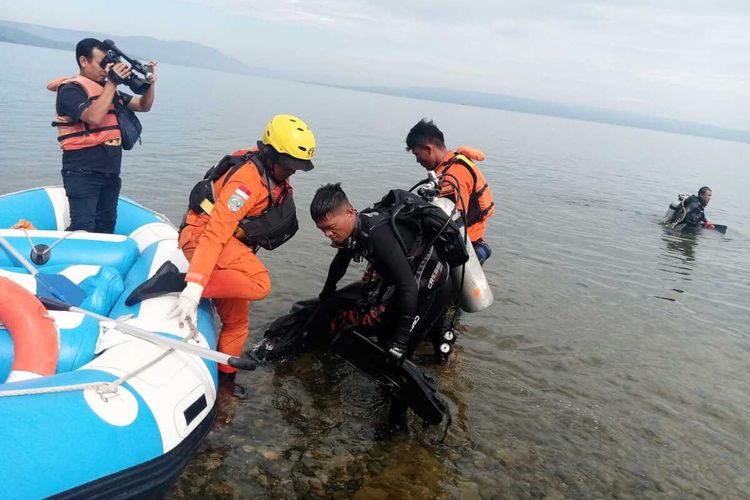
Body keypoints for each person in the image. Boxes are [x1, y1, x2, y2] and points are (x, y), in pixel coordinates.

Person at [128, 115, 316, 386]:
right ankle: (176, 280)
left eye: (297, 167)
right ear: (271, 154)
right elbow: (215, 233)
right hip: (202, 236)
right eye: (289, 166)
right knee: (259, 282)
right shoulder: (247, 182)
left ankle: (226, 384)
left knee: (238, 323)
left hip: (231, 246)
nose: (293, 172)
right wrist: (193, 288)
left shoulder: (271, 176)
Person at [311, 183, 451, 429]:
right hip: (407, 282)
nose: (328, 235)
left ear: (350, 212)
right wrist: (327, 293)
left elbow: (408, 286)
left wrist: (401, 340)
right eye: (322, 230)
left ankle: (397, 424)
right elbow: (340, 263)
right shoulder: (354, 233)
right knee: (386, 342)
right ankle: (389, 397)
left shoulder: (378, 235)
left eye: (331, 228)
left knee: (398, 355)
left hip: (430, 289)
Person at [47, 38, 157, 233]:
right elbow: (94, 117)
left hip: (110, 173)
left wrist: (150, 84)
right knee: (83, 227)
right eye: (101, 63)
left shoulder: (107, 89)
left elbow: (143, 105)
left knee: (106, 228)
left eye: (108, 62)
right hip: (82, 172)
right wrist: (112, 83)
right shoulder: (70, 90)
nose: (106, 68)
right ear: (83, 61)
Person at [405, 119, 495, 264]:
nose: (417, 161)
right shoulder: (449, 164)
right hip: (468, 239)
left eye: (417, 154)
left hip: (466, 246)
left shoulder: (454, 174)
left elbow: (449, 221)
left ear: (428, 149)